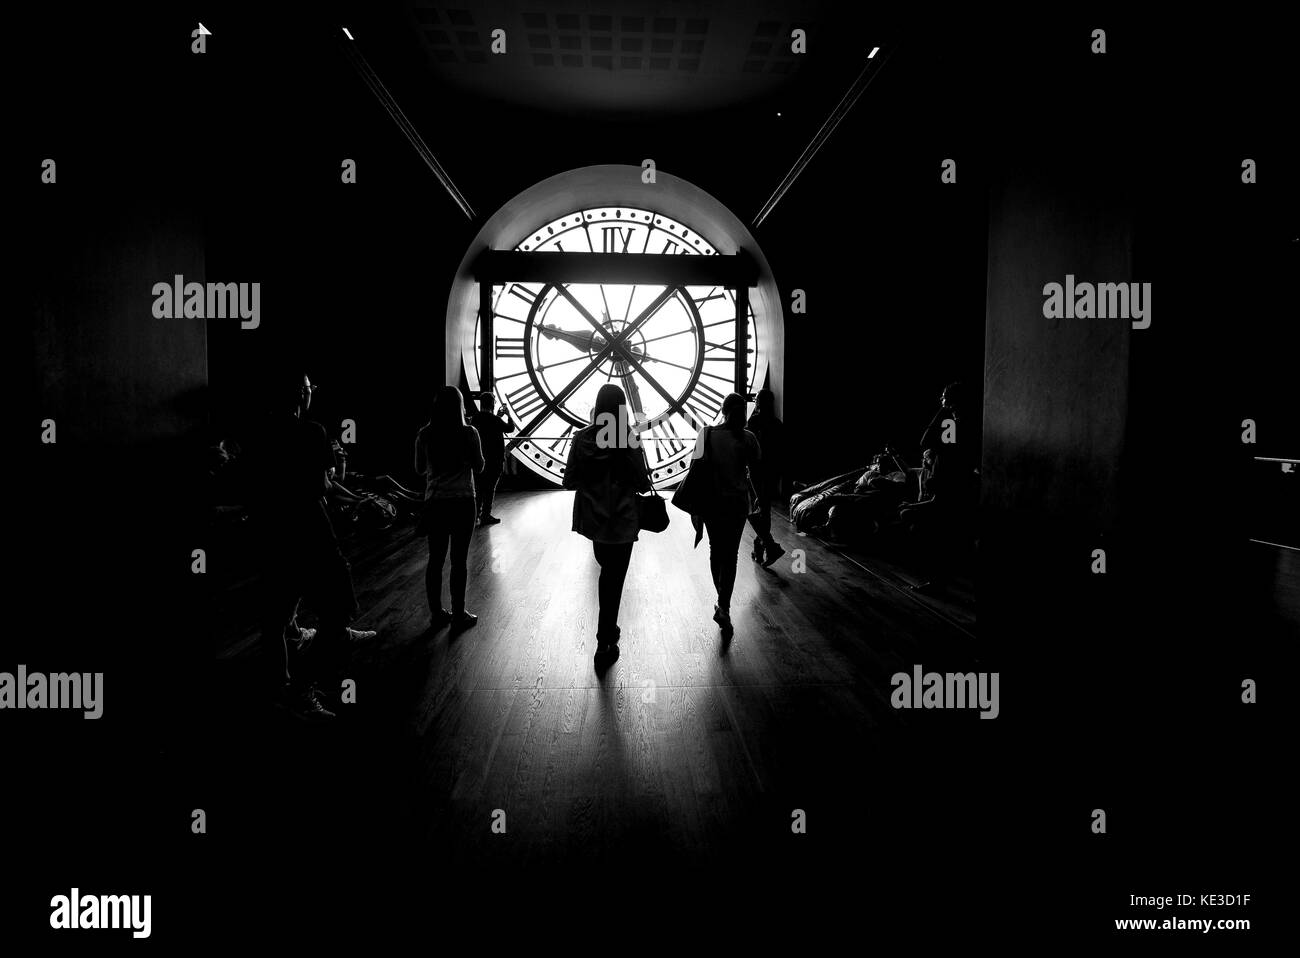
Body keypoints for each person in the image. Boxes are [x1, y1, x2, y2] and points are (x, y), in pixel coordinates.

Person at [252, 371, 374, 722]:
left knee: (275, 619)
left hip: (272, 536)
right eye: (310, 389)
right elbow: (324, 485)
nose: (312, 394)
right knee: (337, 615)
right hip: (312, 533)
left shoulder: (259, 434)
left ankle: (283, 689)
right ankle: (302, 688)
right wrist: (358, 501)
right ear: (300, 395)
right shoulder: (312, 432)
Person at [563, 384, 652, 663]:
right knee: (614, 579)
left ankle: (607, 635)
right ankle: (604, 638)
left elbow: (569, 481)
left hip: (594, 520)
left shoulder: (582, 439)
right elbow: (641, 482)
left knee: (607, 575)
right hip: (624, 521)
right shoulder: (629, 440)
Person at [415, 386, 483, 629]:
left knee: (435, 560)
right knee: (459, 561)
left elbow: (419, 469)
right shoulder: (469, 433)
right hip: (463, 500)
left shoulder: (425, 434)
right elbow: (480, 465)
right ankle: (458, 613)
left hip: (435, 502)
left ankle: (436, 612)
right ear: (460, 407)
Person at [699, 393, 762, 636]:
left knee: (716, 551)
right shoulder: (749, 439)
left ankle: (721, 599)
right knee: (732, 555)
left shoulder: (707, 435)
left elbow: (698, 473)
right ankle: (724, 604)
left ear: (722, 410)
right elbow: (756, 474)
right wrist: (759, 501)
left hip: (713, 503)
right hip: (737, 504)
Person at [745, 388, 786, 567]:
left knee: (755, 509)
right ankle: (761, 547)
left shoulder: (753, 422)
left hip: (756, 471)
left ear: (759, 402)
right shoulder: (777, 424)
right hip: (772, 471)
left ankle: (765, 546)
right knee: (764, 509)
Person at [469, 393, 516, 526]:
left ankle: (476, 514)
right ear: (492, 404)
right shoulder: (495, 420)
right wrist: (508, 415)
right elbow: (510, 428)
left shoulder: (475, 418)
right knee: (489, 489)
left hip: (479, 459)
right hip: (495, 461)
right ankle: (485, 516)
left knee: (478, 489)